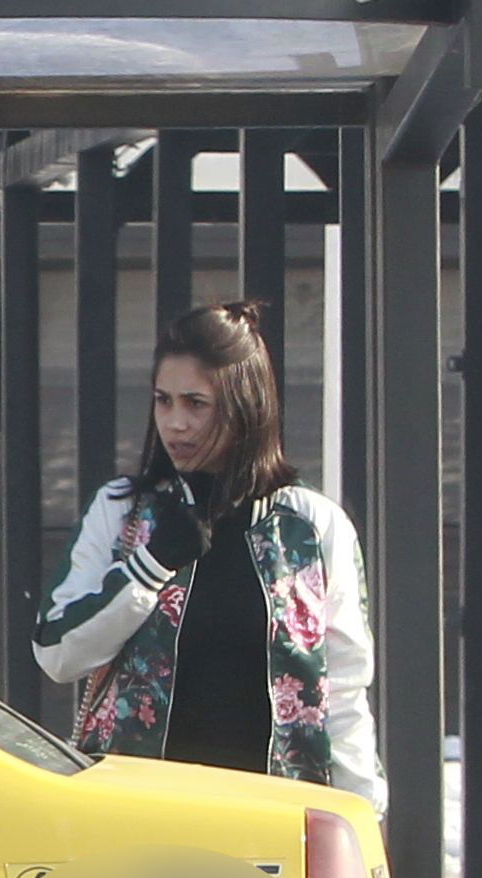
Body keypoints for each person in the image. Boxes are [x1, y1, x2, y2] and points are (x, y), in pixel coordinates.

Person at [31, 301, 382, 807]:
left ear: (245, 407)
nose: (175, 423)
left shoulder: (312, 526)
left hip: (276, 820)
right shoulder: (122, 511)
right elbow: (57, 653)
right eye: (163, 400)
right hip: (136, 817)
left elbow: (344, 690)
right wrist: (148, 567)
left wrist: (360, 813)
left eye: (196, 404)